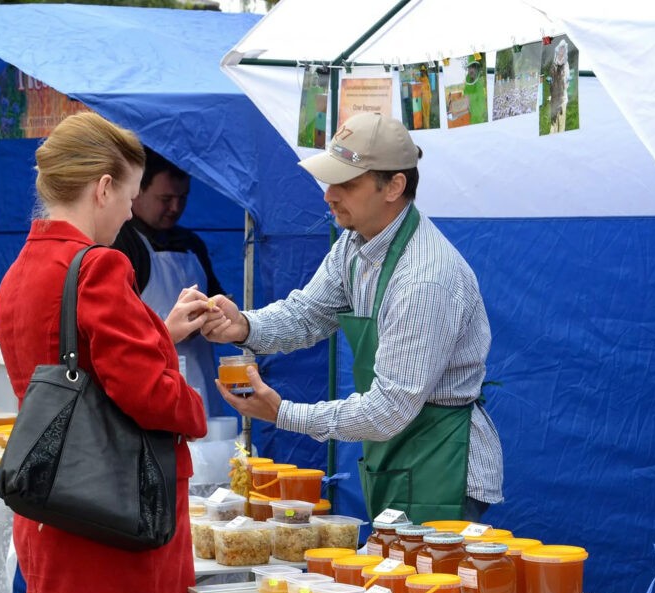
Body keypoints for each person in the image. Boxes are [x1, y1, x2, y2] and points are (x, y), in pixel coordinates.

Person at [203, 112, 503, 525]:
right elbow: (308, 314)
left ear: (394, 186)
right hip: (396, 452)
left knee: (433, 588)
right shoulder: (354, 244)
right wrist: (246, 326)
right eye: (329, 181)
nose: (328, 195)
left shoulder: (424, 278)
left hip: (442, 463)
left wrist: (284, 413)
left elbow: (388, 410)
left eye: (346, 183)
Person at [0, 112, 209, 593]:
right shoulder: (99, 266)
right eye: (131, 198)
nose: (129, 214)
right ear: (104, 188)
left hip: (52, 501)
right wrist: (195, 406)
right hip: (115, 512)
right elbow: (147, 395)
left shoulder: (19, 271)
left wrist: (159, 333)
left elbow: (81, 359)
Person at [113, 148, 226, 416]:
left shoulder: (191, 243)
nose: (175, 208)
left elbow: (217, 296)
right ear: (137, 191)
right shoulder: (122, 243)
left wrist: (219, 311)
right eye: (165, 198)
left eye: (182, 198)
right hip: (152, 382)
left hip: (201, 378)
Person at [549, 38, 571, 134]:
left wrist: (566, 83)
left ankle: (561, 135)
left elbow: (567, 81)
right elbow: (551, 78)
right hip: (554, 95)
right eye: (560, 48)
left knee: (561, 119)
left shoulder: (566, 64)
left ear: (565, 50)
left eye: (563, 48)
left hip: (562, 96)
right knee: (553, 118)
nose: (561, 50)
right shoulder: (553, 64)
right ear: (558, 50)